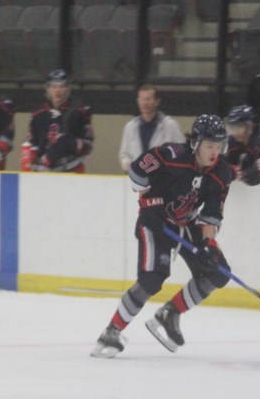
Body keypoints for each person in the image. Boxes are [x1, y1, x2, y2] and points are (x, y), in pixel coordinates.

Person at [91, 114, 233, 357]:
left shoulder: (221, 172)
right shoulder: (171, 155)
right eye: (210, 146)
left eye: (219, 147)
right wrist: (150, 201)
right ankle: (111, 331)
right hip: (154, 222)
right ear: (196, 142)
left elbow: (211, 214)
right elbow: (137, 171)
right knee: (152, 279)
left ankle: (170, 313)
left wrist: (209, 244)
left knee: (218, 272)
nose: (214, 152)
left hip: (185, 224)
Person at [20, 70, 95, 173]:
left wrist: (67, 143)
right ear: (47, 89)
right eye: (54, 86)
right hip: (42, 172)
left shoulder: (80, 111)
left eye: (62, 86)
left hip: (71, 169)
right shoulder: (38, 113)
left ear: (68, 88)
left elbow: (88, 144)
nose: (58, 90)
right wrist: (29, 156)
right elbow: (31, 142)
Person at [118, 84, 186, 172]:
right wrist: (127, 164)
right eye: (141, 99)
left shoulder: (170, 125)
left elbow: (181, 150)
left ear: (157, 101)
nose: (144, 103)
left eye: (148, 99)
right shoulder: (130, 127)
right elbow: (124, 154)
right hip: (137, 178)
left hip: (163, 177)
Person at [224, 104, 256, 182]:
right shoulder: (231, 142)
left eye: (239, 126)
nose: (235, 132)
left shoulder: (259, 143)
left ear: (249, 126)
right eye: (232, 127)